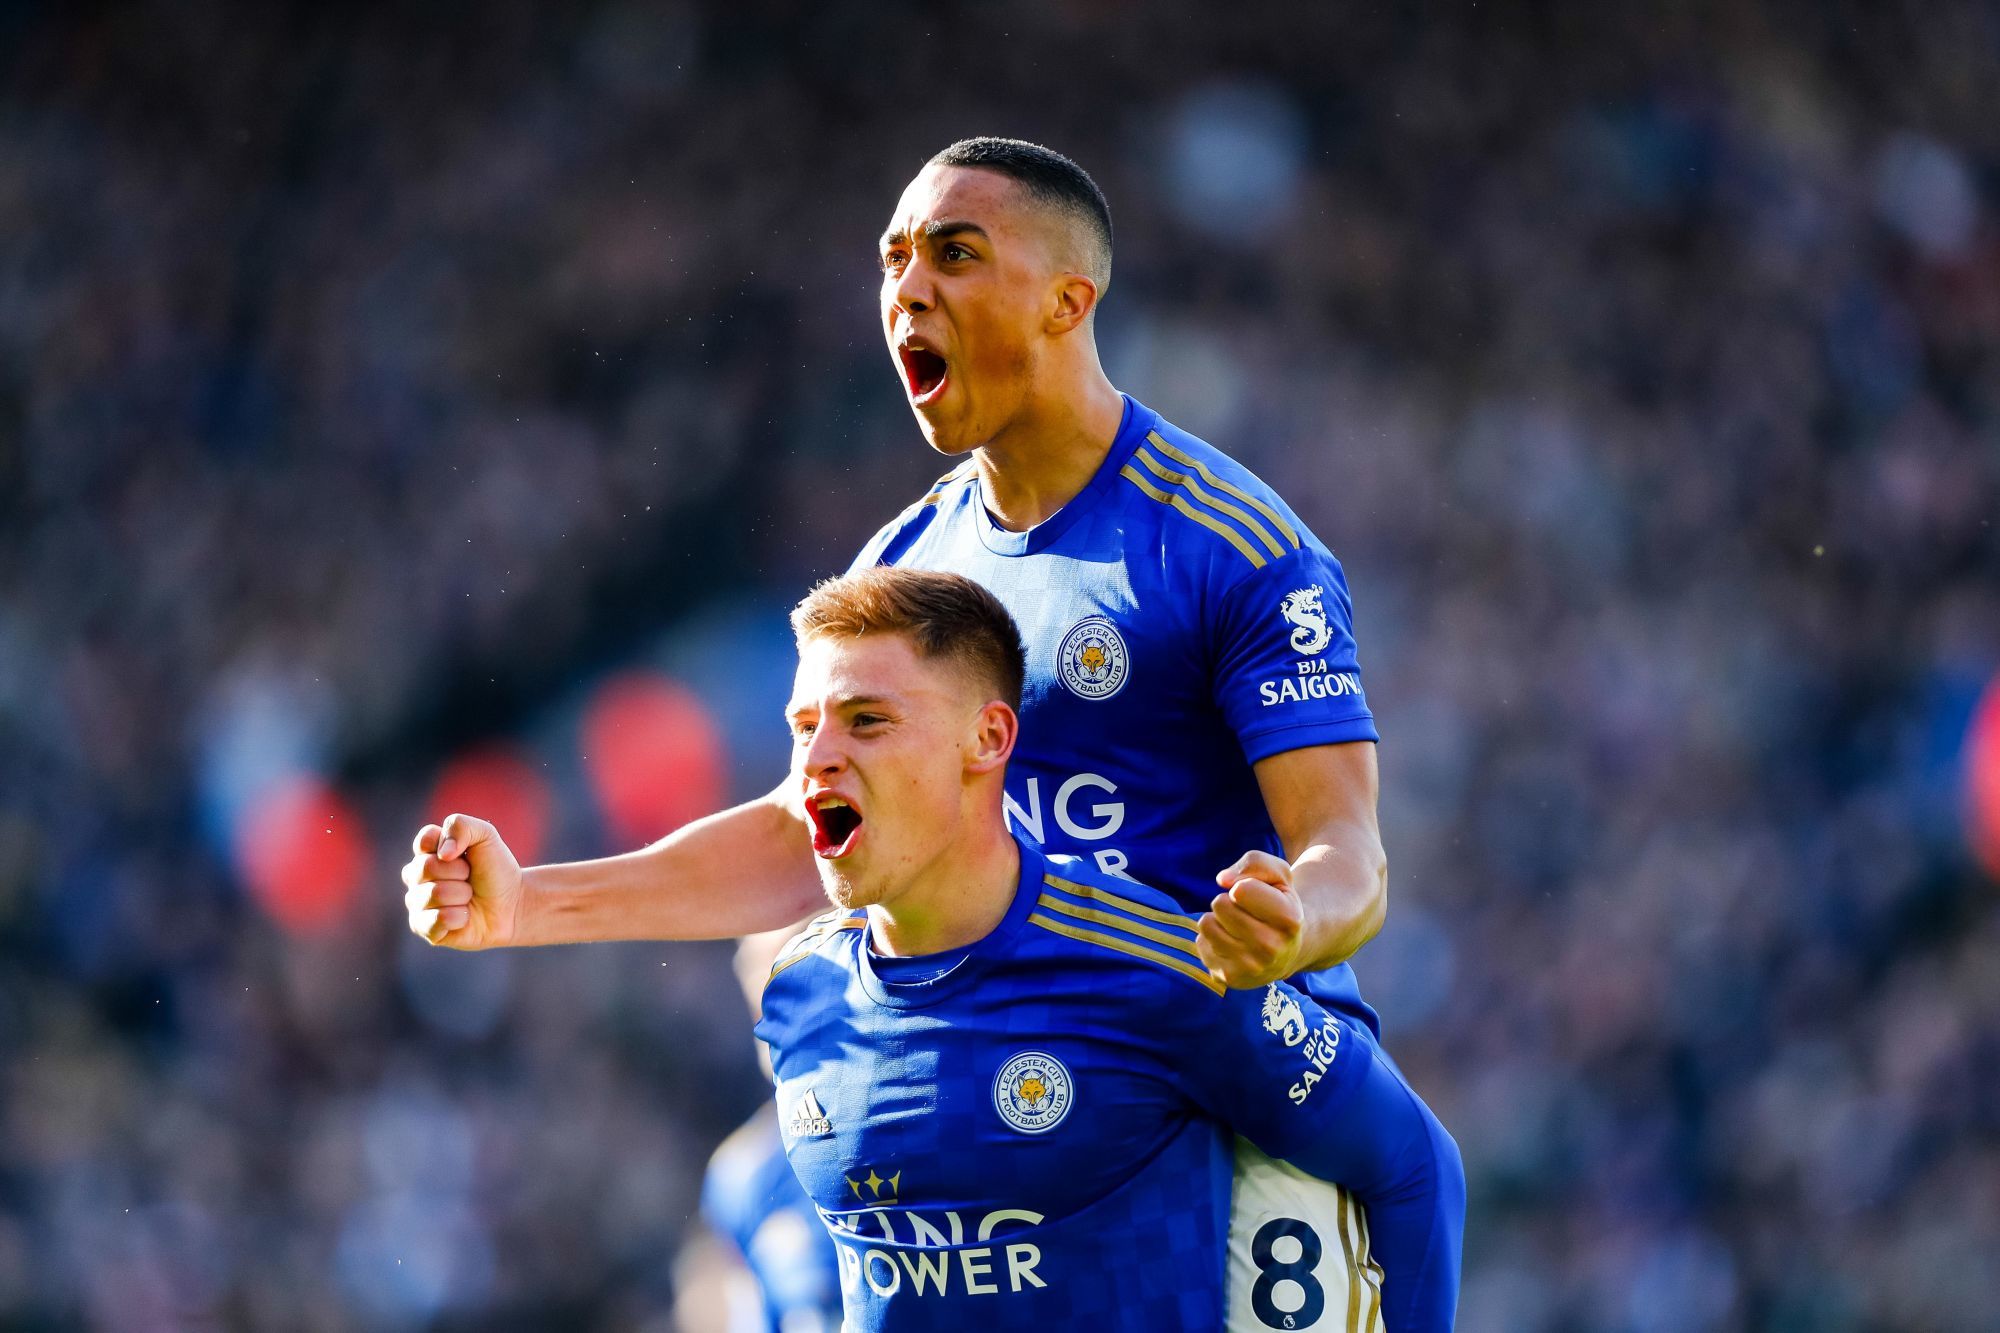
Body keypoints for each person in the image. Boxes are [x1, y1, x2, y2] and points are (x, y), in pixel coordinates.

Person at [402, 137, 1451, 1316]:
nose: (907, 287)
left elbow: (1347, 852)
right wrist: (530, 905)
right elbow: (803, 832)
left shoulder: (1228, 546)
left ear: (1066, 302)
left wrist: (1291, 915)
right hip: (990, 1074)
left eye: (953, 254)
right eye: (893, 259)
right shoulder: (905, 562)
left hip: (1218, 1090)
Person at [756, 566, 1461, 1330]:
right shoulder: (800, 989)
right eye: (803, 727)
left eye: (866, 720)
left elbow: (1414, 1163)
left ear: (987, 739)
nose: (816, 758)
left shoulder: (1154, 966)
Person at [691, 928, 843, 1333]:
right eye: (755, 969)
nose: (768, 995)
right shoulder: (740, 1175)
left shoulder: (925, 1120)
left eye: (789, 964)